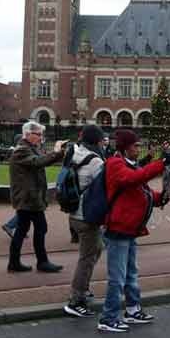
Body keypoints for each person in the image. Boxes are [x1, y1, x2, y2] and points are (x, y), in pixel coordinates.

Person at [98, 128, 168, 333]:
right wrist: (161, 163)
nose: (139, 148)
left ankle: (132, 309)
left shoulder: (130, 164)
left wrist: (159, 197)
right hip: (118, 227)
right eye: (136, 145)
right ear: (126, 147)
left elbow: (142, 190)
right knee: (117, 277)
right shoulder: (115, 164)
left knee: (131, 274)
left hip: (130, 228)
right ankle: (108, 317)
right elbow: (132, 180)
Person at [7, 122, 66, 273]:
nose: (41, 138)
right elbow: (38, 162)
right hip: (28, 197)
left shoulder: (29, 148)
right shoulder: (22, 150)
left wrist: (59, 153)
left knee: (22, 229)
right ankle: (42, 262)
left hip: (29, 196)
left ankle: (14, 263)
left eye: (41, 134)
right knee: (40, 228)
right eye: (38, 134)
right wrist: (57, 151)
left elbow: (43, 160)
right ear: (28, 134)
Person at [64, 124, 107, 318]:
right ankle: (76, 299)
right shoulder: (95, 161)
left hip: (73, 212)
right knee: (87, 258)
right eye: (101, 140)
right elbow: (107, 185)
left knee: (95, 249)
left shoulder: (73, 153)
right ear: (97, 141)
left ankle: (83, 288)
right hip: (87, 215)